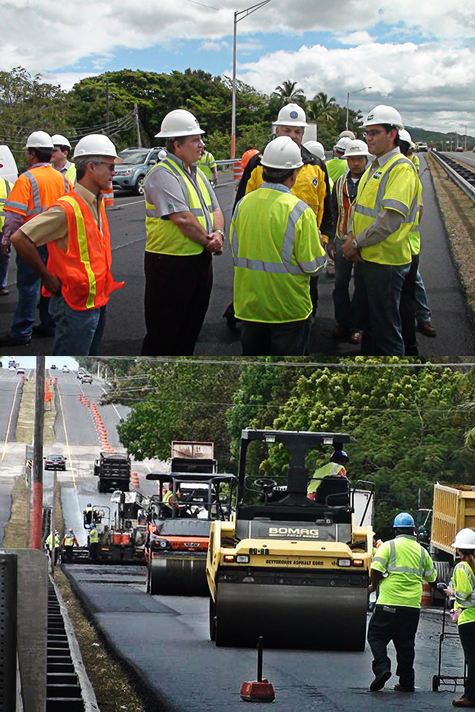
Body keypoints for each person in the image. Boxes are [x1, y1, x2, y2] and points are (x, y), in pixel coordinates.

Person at [9, 134, 124, 356]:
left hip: (96, 300)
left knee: (85, 365)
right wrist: (46, 276)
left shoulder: (95, 201)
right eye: (110, 166)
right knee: (67, 369)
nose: (113, 172)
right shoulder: (67, 208)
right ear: (91, 167)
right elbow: (19, 238)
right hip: (75, 305)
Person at [233, 103, 332, 319]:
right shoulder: (258, 163)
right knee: (260, 296)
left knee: (306, 295)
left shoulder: (316, 165)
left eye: (297, 131)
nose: (293, 135)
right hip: (263, 245)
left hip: (305, 245)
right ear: (276, 130)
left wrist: (324, 238)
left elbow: (326, 206)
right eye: (287, 130)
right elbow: (241, 203)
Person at [230, 136, 326, 355]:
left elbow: (237, 252)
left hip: (250, 306)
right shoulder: (300, 211)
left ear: (263, 170)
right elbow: (315, 267)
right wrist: (319, 245)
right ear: (294, 173)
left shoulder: (243, 204)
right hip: (288, 309)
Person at [142, 109, 225, 355]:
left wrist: (218, 233)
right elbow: (182, 219)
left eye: (201, 139)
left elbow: (216, 208)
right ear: (177, 145)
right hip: (169, 264)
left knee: (190, 329)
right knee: (164, 334)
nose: (202, 145)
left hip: (198, 260)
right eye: (195, 140)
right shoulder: (162, 174)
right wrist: (211, 243)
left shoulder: (196, 173)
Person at [342, 105, 421, 356]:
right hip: (368, 257)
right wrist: (353, 238)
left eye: (375, 132)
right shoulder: (375, 166)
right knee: (369, 327)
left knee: (386, 332)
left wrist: (355, 244)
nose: (369, 138)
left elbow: (389, 221)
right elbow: (361, 211)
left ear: (393, 134)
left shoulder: (400, 168)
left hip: (385, 262)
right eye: (367, 133)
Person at [0, 131, 72, 347]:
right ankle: (50, 325)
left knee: (29, 286)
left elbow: (14, 217)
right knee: (51, 283)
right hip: (56, 242)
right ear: (50, 154)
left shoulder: (27, 179)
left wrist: (5, 241)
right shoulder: (62, 179)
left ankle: (22, 331)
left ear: (32, 154)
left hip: (31, 242)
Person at [367, 512, 437, 692]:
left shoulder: (388, 547)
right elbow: (432, 578)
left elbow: (376, 569)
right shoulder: (422, 551)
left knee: (376, 635)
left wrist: (374, 586)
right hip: (411, 606)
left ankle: (382, 667)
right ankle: (406, 681)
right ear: (413, 529)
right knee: (406, 644)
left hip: (389, 603)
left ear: (395, 529)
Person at [327, 139, 371, 345]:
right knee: (340, 284)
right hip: (341, 240)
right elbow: (333, 212)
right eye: (352, 159)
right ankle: (342, 323)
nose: (356, 163)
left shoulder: (372, 183)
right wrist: (331, 241)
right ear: (347, 160)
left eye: (360, 159)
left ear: (366, 160)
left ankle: (358, 326)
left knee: (362, 287)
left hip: (363, 243)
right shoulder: (339, 184)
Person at [398, 129, 437, 341]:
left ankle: (423, 318)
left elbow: (419, 210)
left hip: (408, 244)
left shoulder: (410, 172)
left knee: (414, 285)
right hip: (392, 246)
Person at [446, 528, 475, 708]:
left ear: (458, 549)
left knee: (472, 660)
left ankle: (471, 696)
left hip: (469, 620)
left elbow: (464, 594)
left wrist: (451, 592)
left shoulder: (461, 567)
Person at [0, 176, 14, 297]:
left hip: (3, 229)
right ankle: (1, 286)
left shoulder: (8, 185)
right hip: (4, 228)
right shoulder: (8, 185)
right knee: (3, 259)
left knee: (3, 259)